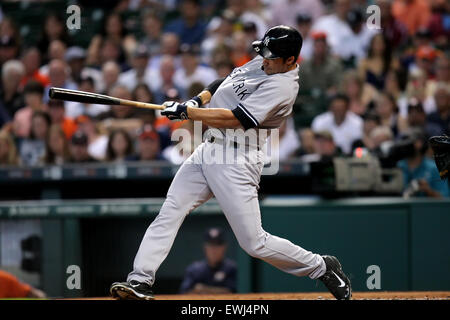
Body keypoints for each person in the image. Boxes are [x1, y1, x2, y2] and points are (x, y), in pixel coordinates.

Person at [110, 25, 352, 300]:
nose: (265, 60)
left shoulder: (283, 86)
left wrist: (189, 113)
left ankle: (321, 266)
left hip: (237, 159)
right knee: (171, 210)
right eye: (266, 53)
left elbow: (237, 118)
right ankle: (141, 279)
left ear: (291, 60)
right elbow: (223, 82)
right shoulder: (266, 62)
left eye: (273, 57)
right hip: (209, 148)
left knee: (254, 243)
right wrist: (194, 101)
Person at [179, 227, 237, 294]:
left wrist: (204, 289)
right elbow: (183, 294)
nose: (214, 250)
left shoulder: (231, 268)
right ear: (205, 247)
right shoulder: (194, 269)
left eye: (218, 245)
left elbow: (233, 293)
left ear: (224, 247)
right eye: (211, 245)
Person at [397, 128, 449, 198]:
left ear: (420, 143)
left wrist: (428, 190)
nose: (404, 144)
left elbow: (445, 198)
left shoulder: (433, 168)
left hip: (426, 208)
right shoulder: (399, 166)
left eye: (408, 141)